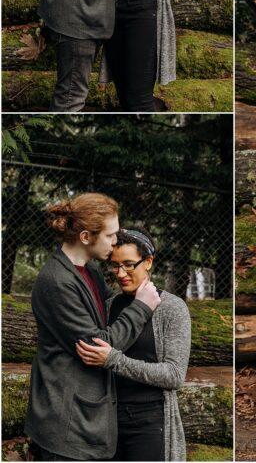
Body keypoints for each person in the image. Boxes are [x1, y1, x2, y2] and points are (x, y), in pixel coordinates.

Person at [25, 193, 161, 461]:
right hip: (66, 423)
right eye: (111, 235)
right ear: (86, 237)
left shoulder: (90, 271)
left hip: (87, 417)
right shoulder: (57, 281)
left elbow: (113, 314)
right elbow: (98, 343)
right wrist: (143, 306)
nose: (116, 241)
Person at [76, 229, 191, 461]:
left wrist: (114, 360)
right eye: (115, 266)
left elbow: (174, 375)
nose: (121, 274)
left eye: (129, 265)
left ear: (148, 262)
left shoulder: (172, 308)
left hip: (151, 421)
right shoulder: (108, 306)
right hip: (108, 421)